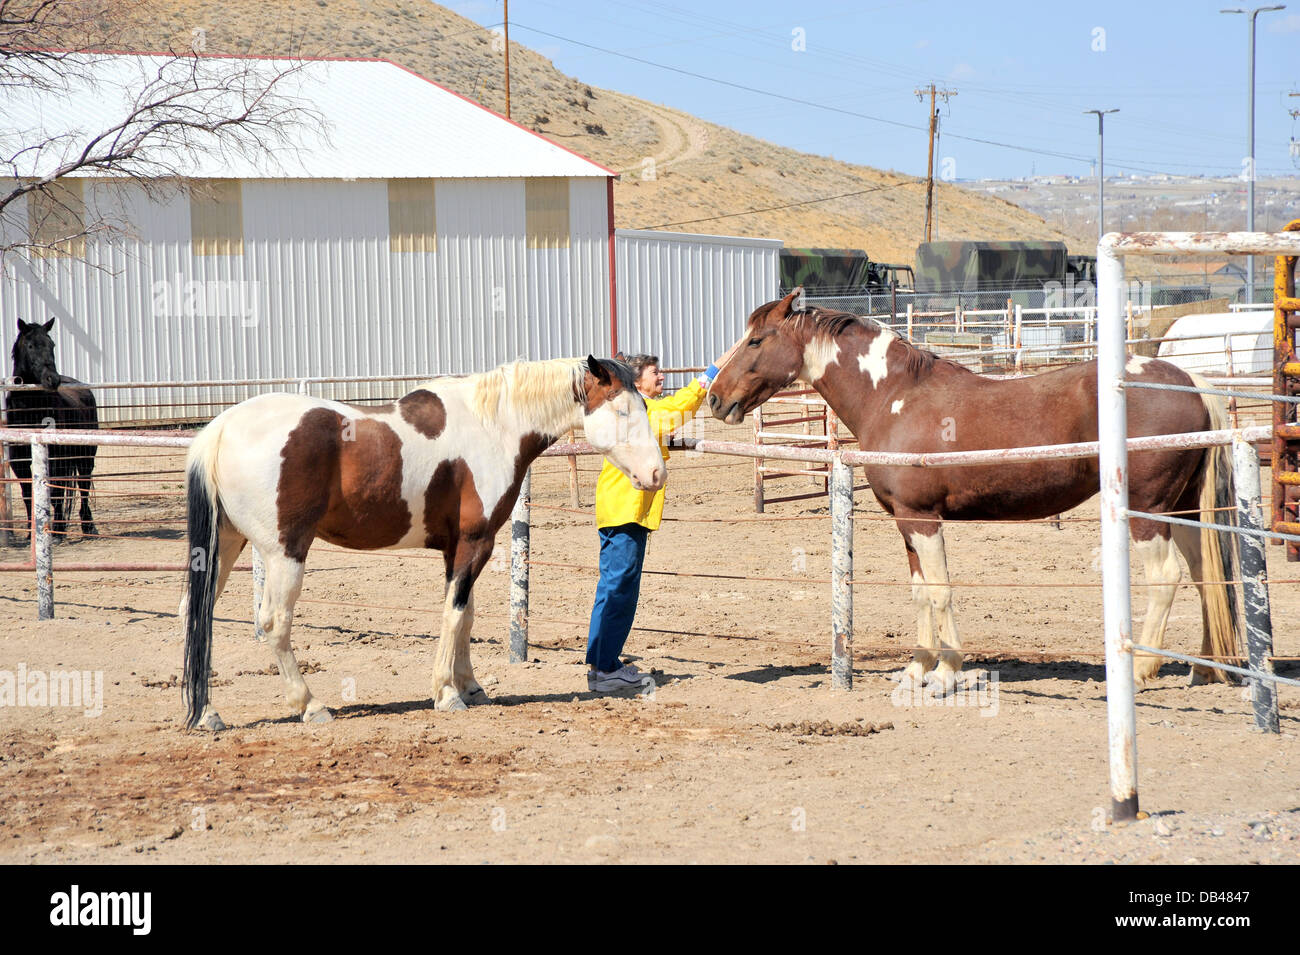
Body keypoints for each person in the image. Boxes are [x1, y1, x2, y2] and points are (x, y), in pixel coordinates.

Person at [586, 351, 725, 693]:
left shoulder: (635, 412)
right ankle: (605, 668)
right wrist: (710, 373)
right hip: (627, 510)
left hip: (621, 509)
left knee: (614, 586)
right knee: (620, 588)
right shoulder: (645, 411)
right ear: (637, 382)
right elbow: (681, 407)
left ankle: (602, 664)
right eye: (655, 373)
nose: (661, 377)